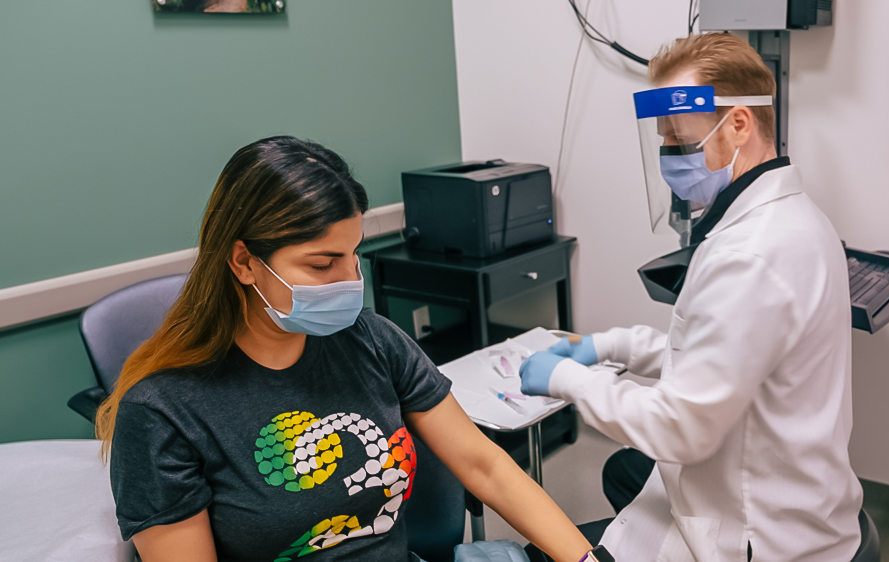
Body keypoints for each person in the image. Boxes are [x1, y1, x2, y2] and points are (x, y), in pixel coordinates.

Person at [95, 136, 596, 562]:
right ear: (245, 263)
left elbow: (484, 465)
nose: (349, 280)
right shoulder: (161, 412)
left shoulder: (371, 340)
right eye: (322, 264)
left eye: (354, 255)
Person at [520, 33, 863, 561]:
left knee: (544, 550)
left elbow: (679, 429)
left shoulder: (752, 255)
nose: (669, 157)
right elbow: (722, 356)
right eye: (663, 140)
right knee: (627, 471)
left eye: (679, 139)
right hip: (789, 484)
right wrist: (613, 346)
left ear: (739, 125)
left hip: (757, 534)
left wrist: (569, 379)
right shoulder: (790, 217)